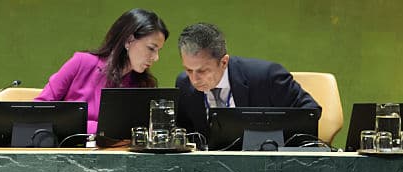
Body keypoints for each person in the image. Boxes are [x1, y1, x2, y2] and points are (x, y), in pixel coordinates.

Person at [34, 8, 169, 135]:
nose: (156, 58)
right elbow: (39, 110)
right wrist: (96, 128)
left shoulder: (144, 85)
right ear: (129, 40)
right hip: (70, 151)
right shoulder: (82, 62)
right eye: (151, 48)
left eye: (158, 51)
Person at [174, 22, 318, 140]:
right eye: (188, 70)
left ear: (224, 62)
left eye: (202, 71)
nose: (194, 79)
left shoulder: (266, 77)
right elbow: (186, 131)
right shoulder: (184, 84)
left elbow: (310, 111)